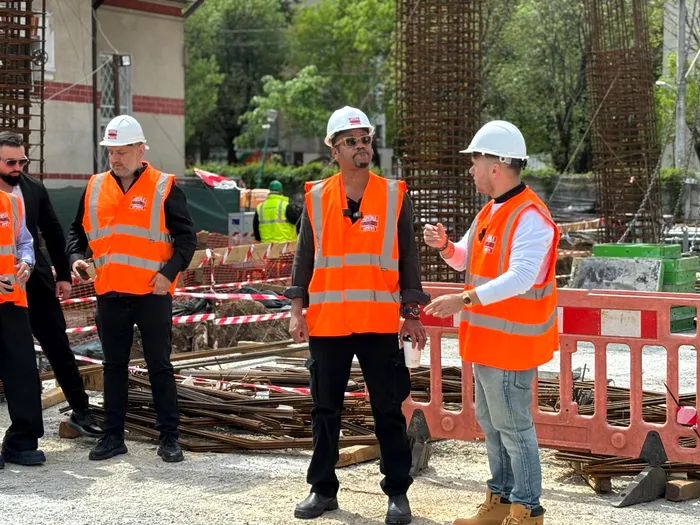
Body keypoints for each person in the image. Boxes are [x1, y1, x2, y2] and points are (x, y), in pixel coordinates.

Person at [284, 106, 429, 525]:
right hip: (328, 323)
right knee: (325, 410)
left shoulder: (394, 195)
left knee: (388, 409)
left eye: (366, 139)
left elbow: (409, 258)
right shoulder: (316, 197)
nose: (361, 146)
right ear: (333, 150)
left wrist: (412, 313)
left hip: (378, 323)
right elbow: (304, 258)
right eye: (351, 141)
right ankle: (322, 489)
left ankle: (397, 492)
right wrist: (296, 310)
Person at [423, 120, 558, 525]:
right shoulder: (491, 210)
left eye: (475, 161)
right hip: (487, 343)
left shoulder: (530, 216)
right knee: (493, 424)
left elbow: (521, 277)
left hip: (512, 346)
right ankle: (500, 500)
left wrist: (463, 299)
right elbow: (466, 259)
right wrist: (446, 247)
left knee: (513, 426)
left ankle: (527, 508)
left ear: (496, 166)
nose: (471, 169)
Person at [66, 115, 197, 463]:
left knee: (159, 366)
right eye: (111, 152)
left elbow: (187, 240)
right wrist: (76, 258)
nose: (116, 158)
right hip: (109, 293)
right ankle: (113, 437)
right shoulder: (95, 187)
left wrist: (168, 274)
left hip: (152, 294)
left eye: (122, 151)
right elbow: (76, 232)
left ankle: (169, 438)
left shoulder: (164, 186)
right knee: (114, 367)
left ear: (141, 150)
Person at [0, 131, 102, 438]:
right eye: (10, 162)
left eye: (22, 161)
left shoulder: (33, 188)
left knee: (57, 344)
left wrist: (63, 276)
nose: (17, 168)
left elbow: (52, 230)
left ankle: (80, 411)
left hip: (35, 280)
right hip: (3, 287)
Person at [0, 169, 44, 468]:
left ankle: (22, 442)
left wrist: (27, 262)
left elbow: (24, 242)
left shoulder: (12, 202)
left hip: (12, 301)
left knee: (23, 373)